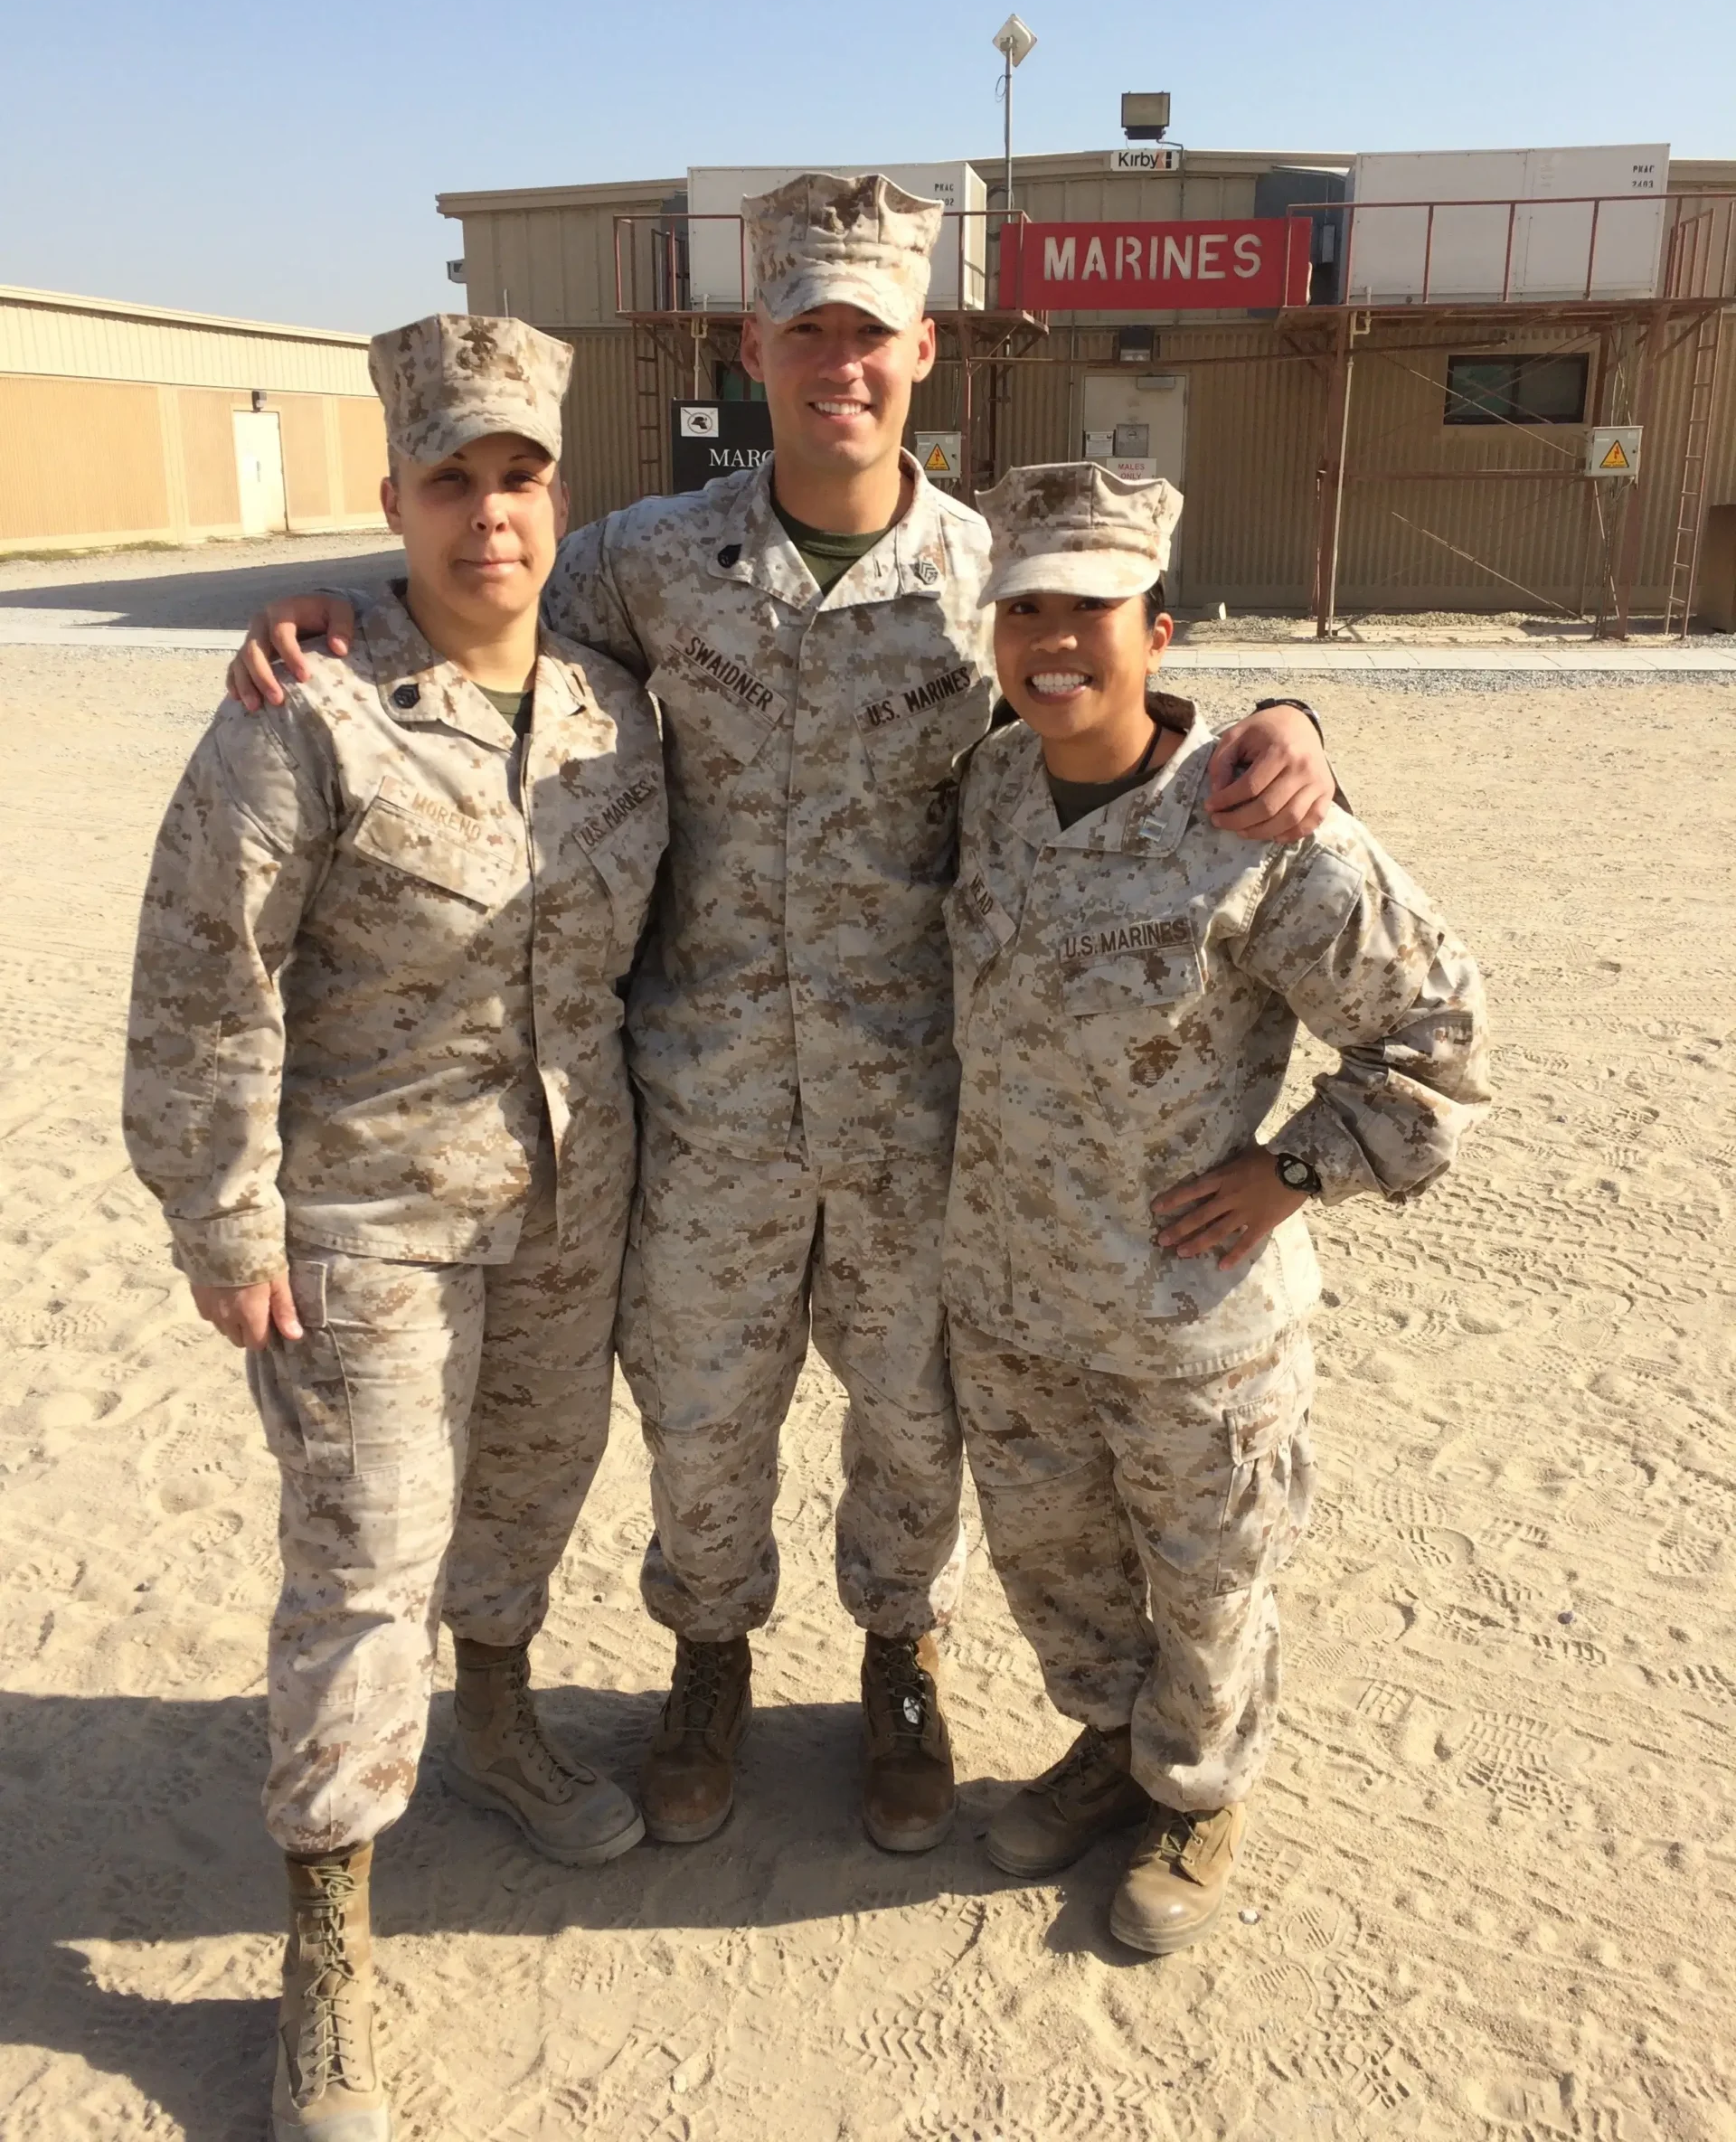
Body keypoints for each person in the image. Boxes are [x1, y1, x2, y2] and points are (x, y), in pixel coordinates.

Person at [222, 174, 1340, 1857]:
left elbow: (1120, 694)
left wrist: (1294, 714)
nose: (840, 362)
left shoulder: (992, 575)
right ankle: (707, 1661)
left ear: (924, 351)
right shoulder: (653, 562)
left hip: (918, 1107)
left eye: (869, 333)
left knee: (911, 1416)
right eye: (805, 328)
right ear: (756, 346)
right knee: (703, 1408)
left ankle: (902, 1664)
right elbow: (482, 595)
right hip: (708, 1100)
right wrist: (333, 614)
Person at [124, 315, 666, 2138]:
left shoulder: (617, 709)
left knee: (523, 1500)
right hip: (362, 1221)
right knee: (362, 1575)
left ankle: (497, 1726)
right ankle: (328, 1950)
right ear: (396, 502)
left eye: (520, 478)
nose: (490, 515)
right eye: (454, 480)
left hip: (571, 1199)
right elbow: (206, 976)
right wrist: (223, 1216)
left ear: (558, 500)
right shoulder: (309, 714)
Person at [944, 461, 1489, 1954]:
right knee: (1055, 1563)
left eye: (1093, 610)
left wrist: (1293, 1169)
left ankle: (1196, 1789)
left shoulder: (1255, 816)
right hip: (1014, 1298)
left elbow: (1437, 1037)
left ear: (1161, 631)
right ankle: (1113, 1751)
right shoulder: (987, 792)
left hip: (1194, 1314)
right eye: (1026, 609)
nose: (1055, 639)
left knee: (1206, 1571)